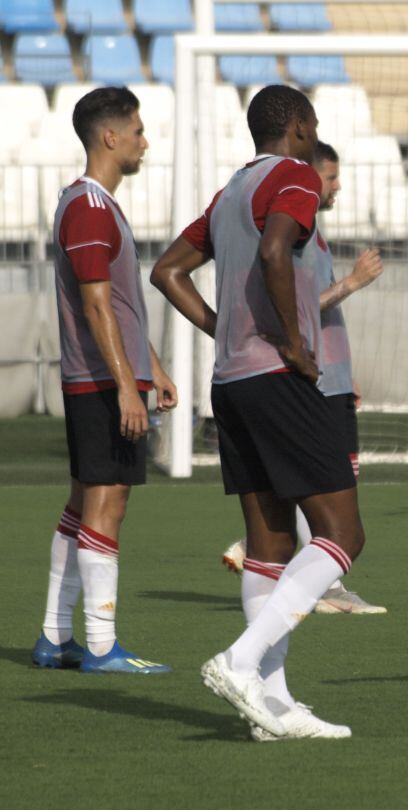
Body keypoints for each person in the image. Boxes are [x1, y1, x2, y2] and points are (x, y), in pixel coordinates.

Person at [151, 85, 364, 741]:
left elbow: (166, 272)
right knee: (342, 533)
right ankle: (242, 662)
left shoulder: (229, 192)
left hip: (232, 381)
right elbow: (276, 252)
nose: (314, 133)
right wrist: (295, 346)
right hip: (279, 377)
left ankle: (270, 707)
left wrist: (227, 331)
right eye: (314, 124)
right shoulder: (294, 175)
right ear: (297, 127)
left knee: (269, 543)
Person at [31, 87, 176, 675]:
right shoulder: (89, 208)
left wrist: (154, 368)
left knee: (81, 503)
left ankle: (53, 636)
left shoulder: (94, 204)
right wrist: (125, 386)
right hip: (98, 382)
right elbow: (96, 308)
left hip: (102, 378)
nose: (145, 141)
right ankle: (98, 645)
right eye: (138, 130)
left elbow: (117, 303)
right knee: (106, 506)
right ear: (110, 137)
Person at [220, 140, 387, 616]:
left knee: (312, 489)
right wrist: (352, 283)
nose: (334, 186)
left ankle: (300, 584)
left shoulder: (307, 231)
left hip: (324, 375)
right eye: (329, 177)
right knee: (337, 516)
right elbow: (289, 308)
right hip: (302, 378)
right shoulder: (288, 232)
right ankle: (317, 589)